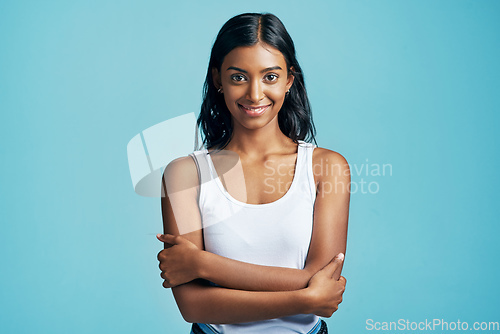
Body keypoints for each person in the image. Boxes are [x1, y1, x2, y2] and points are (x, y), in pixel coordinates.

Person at [157, 12, 350, 334]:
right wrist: (304, 299)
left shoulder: (327, 168)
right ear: (218, 79)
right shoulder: (184, 175)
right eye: (238, 77)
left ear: (290, 79)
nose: (255, 94)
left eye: (270, 77)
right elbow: (193, 306)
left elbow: (324, 280)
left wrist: (205, 264)